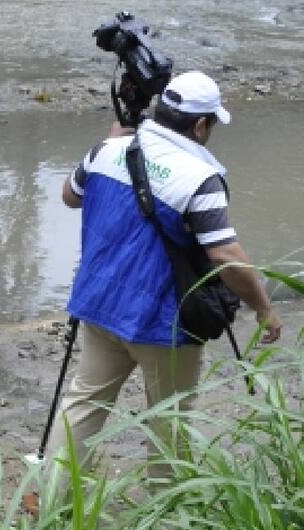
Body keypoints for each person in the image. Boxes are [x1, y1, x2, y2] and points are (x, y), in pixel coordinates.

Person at [45, 71, 281, 469]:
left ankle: (55, 494)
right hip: (164, 323)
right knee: (169, 419)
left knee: (83, 403)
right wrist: (263, 307)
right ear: (201, 125)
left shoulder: (107, 149)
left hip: (99, 304)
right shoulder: (199, 178)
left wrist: (111, 141)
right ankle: (168, 502)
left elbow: (70, 195)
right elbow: (225, 255)